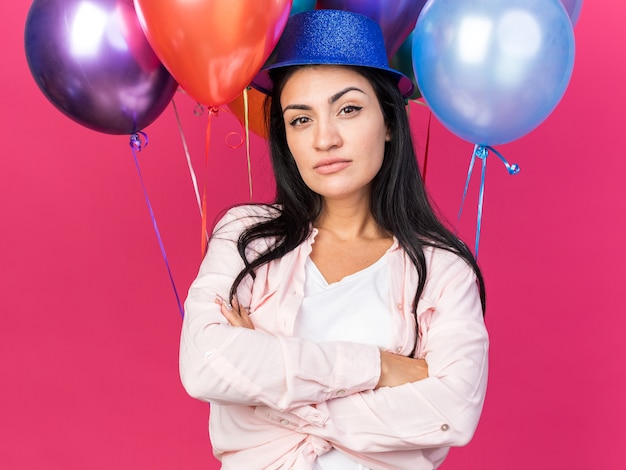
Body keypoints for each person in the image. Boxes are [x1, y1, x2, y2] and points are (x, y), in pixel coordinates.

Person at [180, 9, 488, 470]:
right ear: (286, 138)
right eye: (300, 120)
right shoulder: (246, 238)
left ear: (387, 122)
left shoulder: (442, 269)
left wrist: (267, 395)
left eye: (348, 109)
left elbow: (453, 413)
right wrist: (379, 368)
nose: (325, 138)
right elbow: (205, 364)